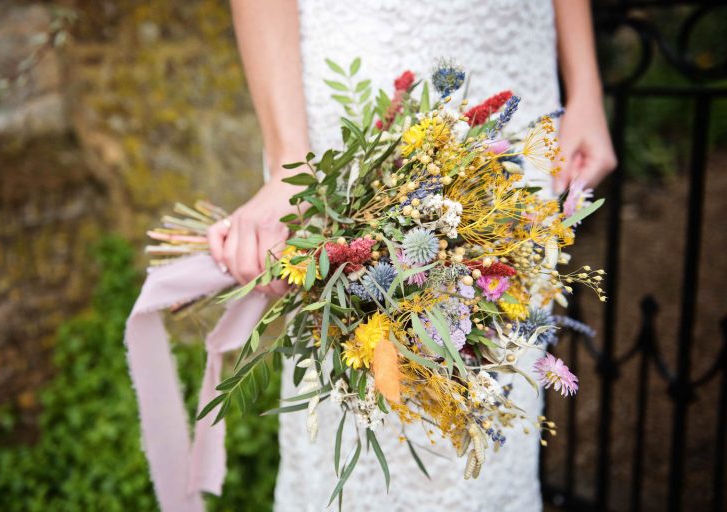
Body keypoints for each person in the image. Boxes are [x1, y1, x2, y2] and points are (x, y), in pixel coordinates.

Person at [208, 1, 616, 510]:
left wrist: (587, 91)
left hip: (514, 88)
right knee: (355, 397)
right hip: (350, 97)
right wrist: (290, 167)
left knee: (491, 390)